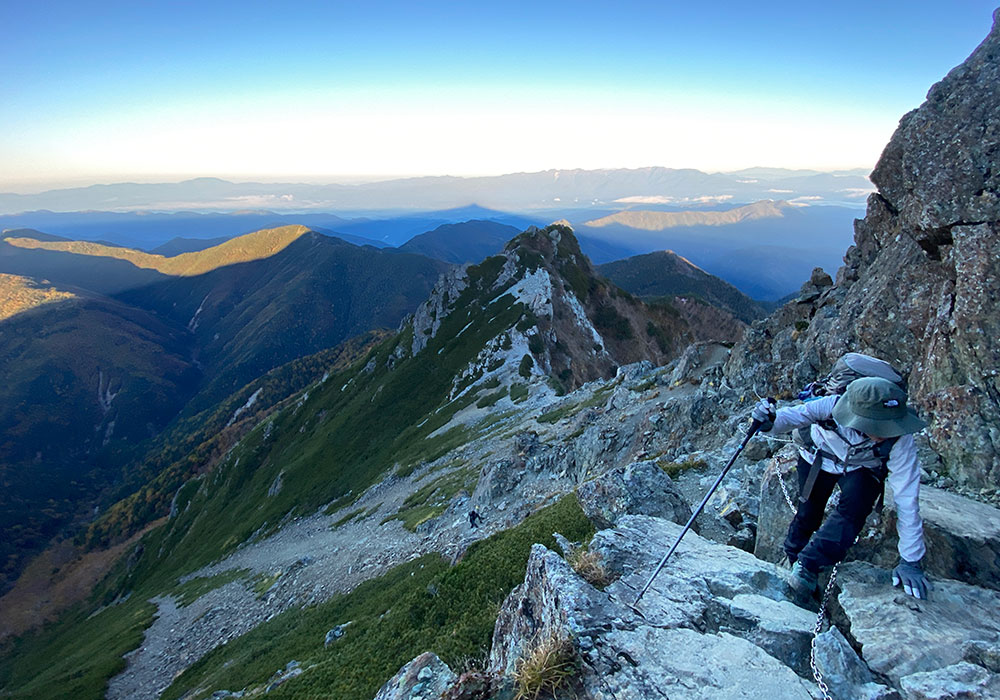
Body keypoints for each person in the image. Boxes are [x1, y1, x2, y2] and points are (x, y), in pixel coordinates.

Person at [752, 376, 931, 603]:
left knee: (854, 512)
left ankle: (808, 565)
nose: (887, 432)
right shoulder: (831, 405)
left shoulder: (901, 438)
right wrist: (767, 422)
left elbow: (907, 499)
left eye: (890, 424)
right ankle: (793, 557)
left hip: (862, 466)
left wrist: (910, 560)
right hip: (818, 457)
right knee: (808, 513)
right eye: (881, 425)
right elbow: (790, 417)